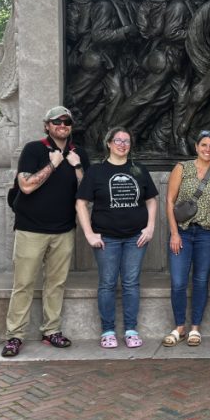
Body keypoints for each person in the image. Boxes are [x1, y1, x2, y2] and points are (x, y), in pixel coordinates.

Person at [1, 106, 90, 358]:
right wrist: (52, 165)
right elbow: (26, 186)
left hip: (63, 230)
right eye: (57, 121)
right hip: (31, 229)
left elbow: (88, 193)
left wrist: (77, 167)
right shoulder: (34, 149)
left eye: (67, 122)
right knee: (24, 284)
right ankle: (14, 336)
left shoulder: (78, 153)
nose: (62, 125)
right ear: (47, 125)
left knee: (56, 284)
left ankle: (51, 331)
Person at [76, 127, 158, 349]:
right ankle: (108, 330)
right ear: (109, 143)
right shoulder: (96, 172)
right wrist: (89, 233)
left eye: (127, 141)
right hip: (107, 239)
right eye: (118, 140)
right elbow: (81, 203)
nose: (122, 144)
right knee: (108, 283)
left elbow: (151, 200)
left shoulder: (139, 169)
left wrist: (150, 228)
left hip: (135, 238)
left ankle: (131, 329)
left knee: (131, 283)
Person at [163, 130, 210, 348]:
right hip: (183, 232)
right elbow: (169, 201)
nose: (207, 149)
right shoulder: (182, 168)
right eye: (204, 145)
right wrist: (175, 233)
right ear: (196, 147)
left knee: (200, 281)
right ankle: (179, 327)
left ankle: (195, 327)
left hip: (207, 233)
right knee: (179, 281)